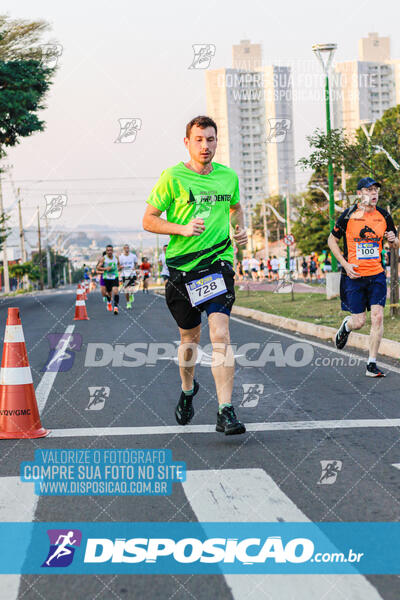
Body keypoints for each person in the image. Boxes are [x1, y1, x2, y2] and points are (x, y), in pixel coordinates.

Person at [143, 114, 247, 435]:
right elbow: (149, 219)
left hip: (217, 264)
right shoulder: (171, 178)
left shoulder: (228, 177)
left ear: (217, 141)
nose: (205, 145)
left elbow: (236, 208)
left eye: (211, 139)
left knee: (220, 334)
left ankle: (225, 410)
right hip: (182, 270)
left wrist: (239, 230)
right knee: (190, 339)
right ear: (187, 142)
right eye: (199, 139)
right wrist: (182, 229)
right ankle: (188, 389)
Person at [328, 177, 398, 377]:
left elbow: (395, 244)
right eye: (369, 190)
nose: (374, 193)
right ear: (359, 194)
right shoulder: (349, 215)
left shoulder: (384, 215)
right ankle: (347, 326)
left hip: (376, 274)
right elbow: (331, 240)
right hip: (354, 275)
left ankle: (371, 364)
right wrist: (345, 264)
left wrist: (394, 240)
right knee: (359, 322)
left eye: (376, 190)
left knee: (377, 317)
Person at [97, 245, 121, 314]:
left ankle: (116, 308)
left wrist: (119, 268)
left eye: (111, 250)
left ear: (112, 251)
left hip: (114, 276)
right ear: (106, 251)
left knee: (116, 291)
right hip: (107, 277)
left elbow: (118, 265)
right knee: (108, 293)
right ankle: (109, 302)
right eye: (108, 250)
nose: (109, 252)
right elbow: (98, 267)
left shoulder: (116, 258)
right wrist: (105, 269)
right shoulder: (103, 259)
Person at [119, 244, 138, 309]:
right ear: (123, 249)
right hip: (125, 274)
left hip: (132, 274)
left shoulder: (133, 256)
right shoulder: (121, 257)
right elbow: (118, 266)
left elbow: (136, 263)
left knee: (132, 289)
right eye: (125, 248)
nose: (126, 249)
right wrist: (121, 267)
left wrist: (134, 268)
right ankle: (128, 303)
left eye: (128, 248)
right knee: (126, 289)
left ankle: (131, 295)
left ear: (129, 249)